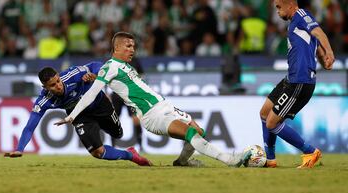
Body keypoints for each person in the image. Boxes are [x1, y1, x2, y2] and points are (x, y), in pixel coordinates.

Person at [55, 32, 252, 167]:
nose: (132, 49)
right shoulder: (110, 67)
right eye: (128, 46)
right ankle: (230, 160)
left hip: (165, 106)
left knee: (200, 131)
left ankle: (182, 162)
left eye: (133, 46)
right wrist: (72, 116)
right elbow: (91, 93)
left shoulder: (127, 67)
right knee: (191, 132)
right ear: (116, 47)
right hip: (153, 115)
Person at [4, 61, 151, 166]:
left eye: (58, 81)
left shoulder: (72, 74)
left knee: (118, 134)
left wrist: (95, 75)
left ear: (59, 76)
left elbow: (96, 65)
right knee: (97, 153)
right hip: (79, 114)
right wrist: (19, 149)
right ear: (45, 87)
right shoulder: (43, 101)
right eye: (53, 85)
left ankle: (122, 142)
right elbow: (30, 126)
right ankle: (131, 155)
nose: (58, 86)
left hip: (100, 105)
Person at [261, 0, 335, 168]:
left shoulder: (302, 15)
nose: (278, 12)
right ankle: (270, 159)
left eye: (279, 7)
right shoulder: (295, 23)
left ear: (290, 5)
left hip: (300, 81)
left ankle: (310, 151)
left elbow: (319, 33)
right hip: (291, 78)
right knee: (264, 112)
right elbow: (316, 47)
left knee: (272, 123)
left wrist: (330, 51)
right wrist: (325, 59)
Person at [110, 57, 144, 152]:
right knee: (114, 120)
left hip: (130, 95)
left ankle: (141, 146)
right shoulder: (113, 61)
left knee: (136, 119)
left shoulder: (135, 61)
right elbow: (106, 77)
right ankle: (113, 146)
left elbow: (141, 75)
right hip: (117, 94)